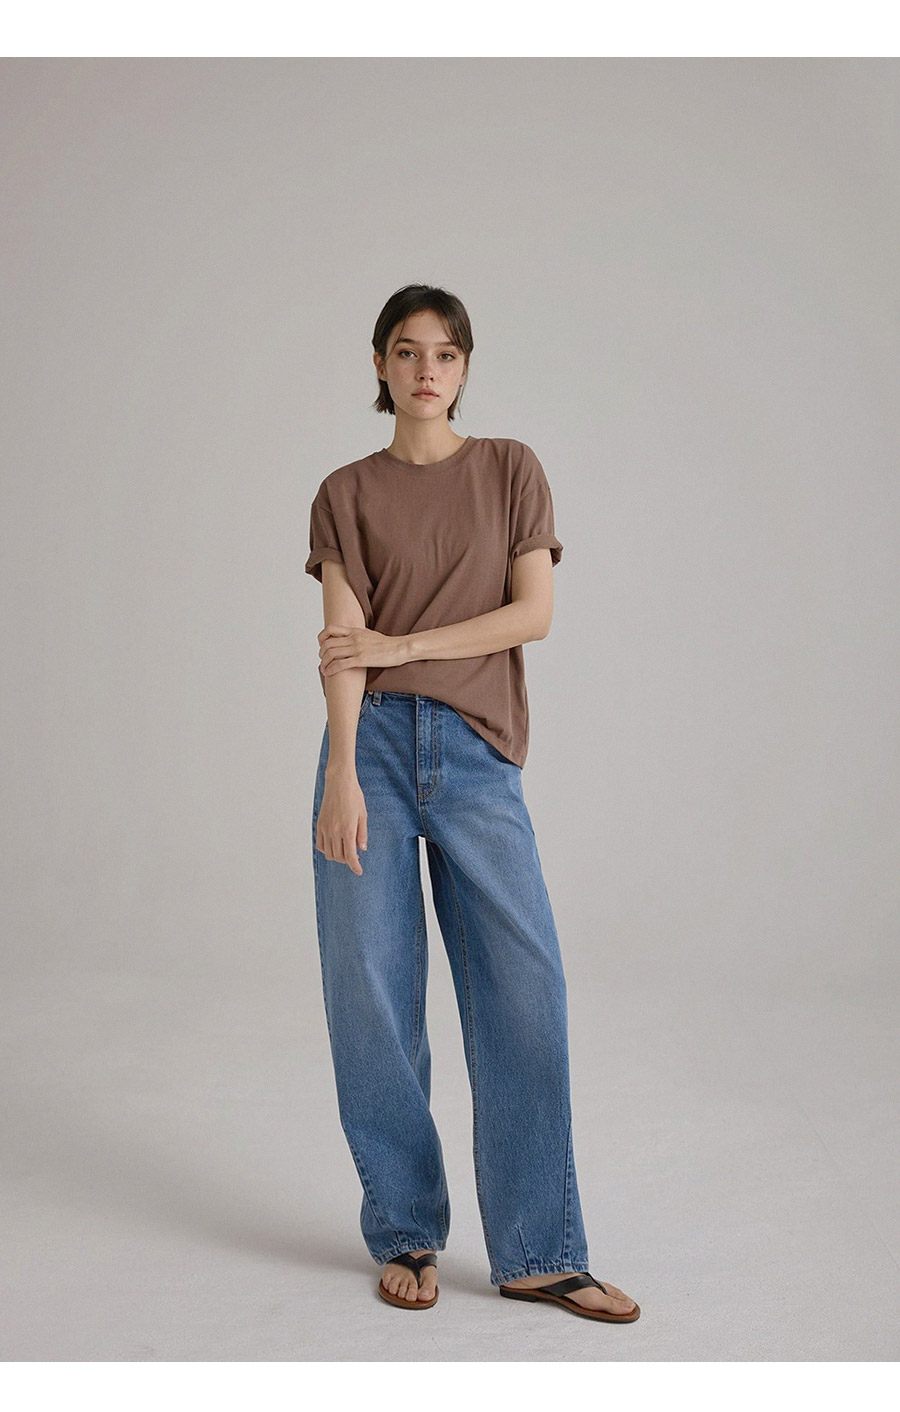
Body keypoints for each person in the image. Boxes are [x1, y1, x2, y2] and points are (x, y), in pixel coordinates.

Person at [305, 283, 640, 1324]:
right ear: (379, 364)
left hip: (477, 749)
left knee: (522, 987)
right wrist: (341, 773)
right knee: (372, 991)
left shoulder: (509, 469)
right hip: (369, 748)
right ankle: (404, 1226)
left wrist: (404, 644)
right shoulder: (344, 492)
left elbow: (531, 614)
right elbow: (342, 648)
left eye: (444, 354)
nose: (426, 371)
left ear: (464, 368)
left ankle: (540, 1249)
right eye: (406, 352)